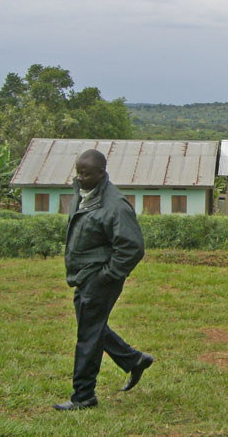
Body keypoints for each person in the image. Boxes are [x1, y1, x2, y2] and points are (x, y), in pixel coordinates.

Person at [53, 149, 153, 411]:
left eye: (85, 174)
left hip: (99, 279)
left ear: (101, 173)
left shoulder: (115, 206)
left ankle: (83, 395)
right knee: (93, 326)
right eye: (77, 172)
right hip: (83, 276)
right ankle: (134, 360)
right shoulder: (84, 192)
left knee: (88, 334)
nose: (79, 178)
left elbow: (132, 247)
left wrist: (106, 276)